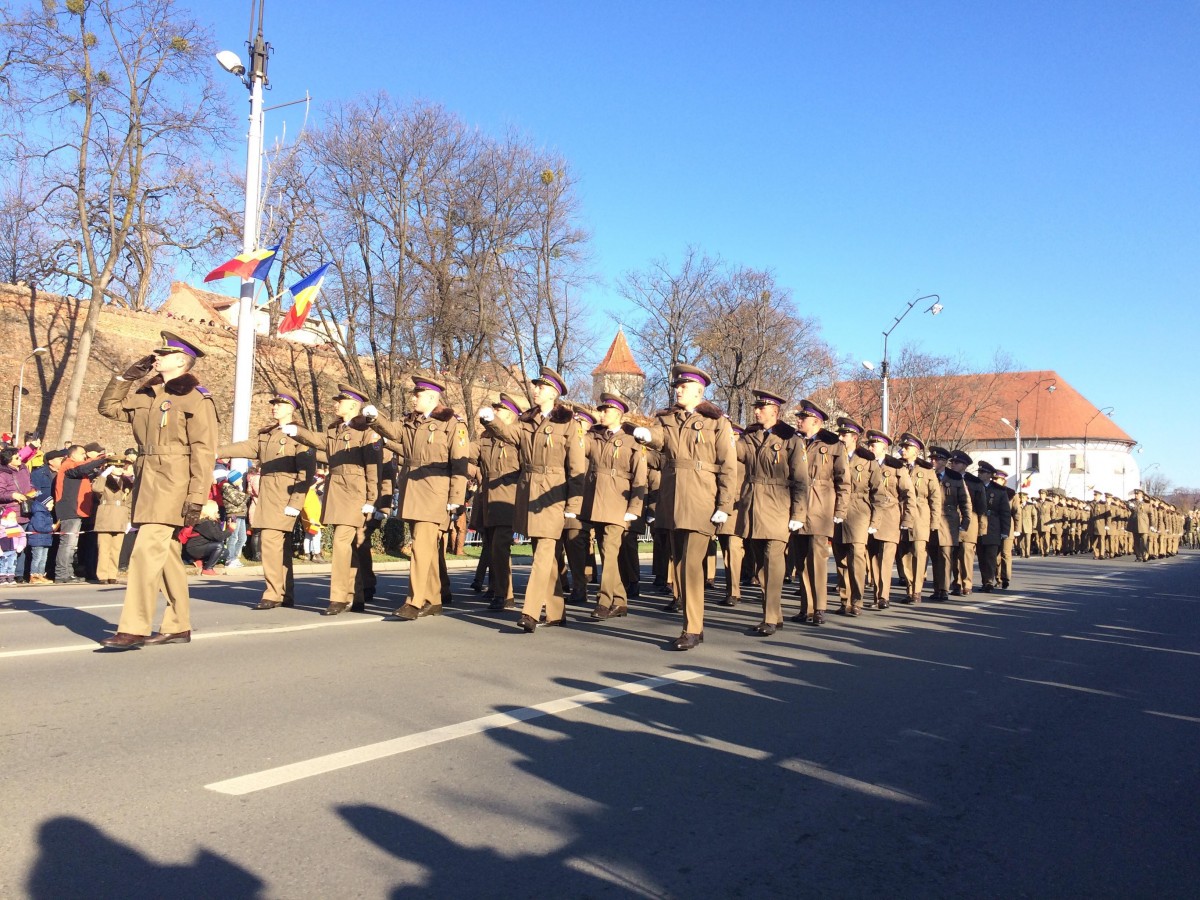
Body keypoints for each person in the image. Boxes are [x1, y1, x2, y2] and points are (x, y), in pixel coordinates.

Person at [97, 330, 218, 649]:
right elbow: (108, 408)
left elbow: (204, 450)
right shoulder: (146, 393)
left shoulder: (196, 397)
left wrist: (197, 495)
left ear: (181, 360)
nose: (156, 357)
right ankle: (178, 625)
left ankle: (134, 626)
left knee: (145, 549)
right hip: (147, 475)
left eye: (163, 353)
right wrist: (126, 376)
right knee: (166, 555)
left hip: (174, 480)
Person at [632, 364, 736, 650]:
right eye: (677, 386)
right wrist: (645, 436)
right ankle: (695, 624)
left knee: (691, 566)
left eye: (684, 386)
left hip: (702, 498)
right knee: (678, 565)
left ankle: (691, 628)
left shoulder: (716, 422)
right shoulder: (667, 419)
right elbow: (659, 438)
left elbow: (728, 467)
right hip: (671, 499)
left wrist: (724, 505)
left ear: (699, 391)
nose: (678, 389)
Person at [478, 365, 586, 633]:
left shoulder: (569, 425)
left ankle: (530, 611)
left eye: (541, 386)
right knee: (543, 553)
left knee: (544, 553)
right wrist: (491, 420)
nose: (535, 389)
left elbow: (577, 470)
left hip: (553, 494)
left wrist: (573, 505)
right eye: (535, 386)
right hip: (529, 492)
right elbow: (507, 434)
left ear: (553, 393)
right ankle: (557, 611)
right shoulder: (525, 422)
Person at [363, 376, 468, 620]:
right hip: (412, 489)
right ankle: (433, 599)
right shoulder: (411, 421)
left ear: (431, 397)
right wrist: (375, 417)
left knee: (420, 548)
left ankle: (414, 601)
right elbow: (391, 431)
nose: (413, 398)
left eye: (417, 395)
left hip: (435, 490)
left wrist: (456, 497)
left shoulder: (452, 424)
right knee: (427, 550)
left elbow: (459, 463)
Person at [284, 384, 380, 615]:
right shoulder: (335, 430)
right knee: (350, 547)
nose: (336, 404)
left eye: (341, 401)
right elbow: (319, 441)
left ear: (353, 406)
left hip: (354, 491)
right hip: (337, 490)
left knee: (340, 542)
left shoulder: (366, 432)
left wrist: (371, 498)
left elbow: (373, 466)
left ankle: (338, 598)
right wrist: (299, 432)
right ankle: (355, 596)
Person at [217, 392, 315, 609]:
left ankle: (273, 593)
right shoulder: (268, 435)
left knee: (270, 544)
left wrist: (295, 502)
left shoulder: (301, 436)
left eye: (280, 405)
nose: (274, 408)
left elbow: (306, 472)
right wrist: (216, 451)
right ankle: (284, 593)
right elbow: (246, 447)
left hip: (285, 494)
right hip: (268, 494)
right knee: (279, 547)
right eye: (274, 404)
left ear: (291, 409)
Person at [736, 389, 808, 634]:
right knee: (759, 565)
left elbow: (800, 480)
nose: (756, 411)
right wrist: (722, 435)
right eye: (756, 407)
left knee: (774, 562)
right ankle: (775, 615)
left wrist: (798, 514)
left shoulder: (791, 440)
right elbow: (736, 455)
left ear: (774, 412)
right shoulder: (749, 436)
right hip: (753, 507)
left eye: (761, 408)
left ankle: (769, 618)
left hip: (778, 505)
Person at [580, 393, 647, 621]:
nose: (601, 414)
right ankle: (620, 601)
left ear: (618, 413)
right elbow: (578, 446)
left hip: (619, 503)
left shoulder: (632, 441)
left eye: (606, 410)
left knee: (609, 554)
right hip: (596, 502)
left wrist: (634, 508)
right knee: (606, 553)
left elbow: (640, 478)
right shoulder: (595, 436)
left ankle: (604, 600)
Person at [789, 398, 849, 626]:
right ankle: (806, 607)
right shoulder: (793, 442)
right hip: (797, 507)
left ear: (816, 421)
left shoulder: (833, 446)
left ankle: (820, 608)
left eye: (802, 418)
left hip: (821, 506)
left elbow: (843, 481)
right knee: (801, 561)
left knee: (818, 560)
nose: (798, 421)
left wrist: (840, 509)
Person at [473, 393, 524, 610]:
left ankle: (504, 594)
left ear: (511, 415)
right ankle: (497, 588)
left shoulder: (518, 437)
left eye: (500, 411)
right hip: (489, 498)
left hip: (508, 496)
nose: (495, 414)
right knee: (493, 547)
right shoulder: (486, 437)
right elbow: (468, 452)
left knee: (501, 547)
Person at [863, 429, 907, 610]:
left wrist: (907, 519)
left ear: (884, 447)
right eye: (869, 445)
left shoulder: (896, 467)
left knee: (887, 558)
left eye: (874, 445)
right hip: (868, 514)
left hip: (890, 516)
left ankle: (884, 596)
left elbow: (907, 494)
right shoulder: (864, 465)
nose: (870, 448)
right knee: (872, 557)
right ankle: (876, 595)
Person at [52, 443, 107, 583]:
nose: (84, 456)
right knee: (68, 543)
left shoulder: (76, 468)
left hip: (76, 510)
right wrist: (102, 459)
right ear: (73, 454)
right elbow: (80, 469)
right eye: (82, 454)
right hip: (70, 509)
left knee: (72, 545)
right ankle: (61, 573)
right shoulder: (68, 465)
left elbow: (85, 470)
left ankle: (68, 572)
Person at [91, 455, 133, 584]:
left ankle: (112, 574)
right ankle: (102, 575)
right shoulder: (102, 480)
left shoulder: (127, 482)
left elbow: (130, 501)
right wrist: (104, 475)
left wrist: (129, 520)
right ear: (110, 467)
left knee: (116, 549)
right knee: (104, 548)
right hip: (106, 515)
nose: (120, 469)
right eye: (117, 466)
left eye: (122, 466)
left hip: (121, 516)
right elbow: (96, 489)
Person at [182, 501, 225, 573]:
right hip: (194, 548)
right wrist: (230, 530)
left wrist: (216, 521)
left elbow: (218, 534)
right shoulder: (204, 522)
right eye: (216, 508)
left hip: (203, 546)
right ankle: (207, 568)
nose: (218, 510)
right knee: (219, 546)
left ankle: (201, 561)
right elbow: (218, 537)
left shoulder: (212, 520)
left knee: (225, 552)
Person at [220, 470, 249, 568]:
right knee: (233, 537)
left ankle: (235, 557)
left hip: (241, 515)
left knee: (242, 538)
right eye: (240, 479)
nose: (241, 481)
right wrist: (246, 495)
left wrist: (241, 493)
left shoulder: (236, 489)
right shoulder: (228, 489)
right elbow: (237, 501)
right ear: (235, 479)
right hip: (233, 515)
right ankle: (229, 559)